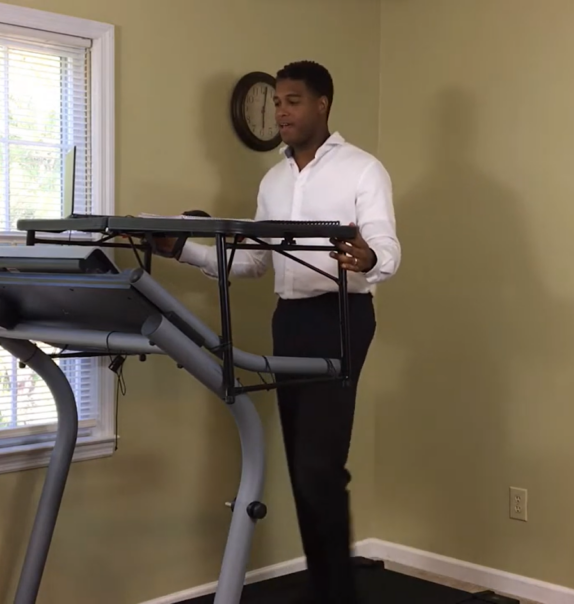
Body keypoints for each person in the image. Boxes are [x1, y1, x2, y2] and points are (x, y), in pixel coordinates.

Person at [153, 60, 400, 604]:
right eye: (277, 102)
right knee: (299, 463)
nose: (280, 112)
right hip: (289, 319)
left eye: (291, 101)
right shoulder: (273, 180)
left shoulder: (363, 169)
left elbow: (387, 249)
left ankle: (337, 593)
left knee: (320, 464)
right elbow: (253, 265)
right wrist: (183, 251)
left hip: (342, 317)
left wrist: (368, 257)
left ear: (321, 105)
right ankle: (325, 585)